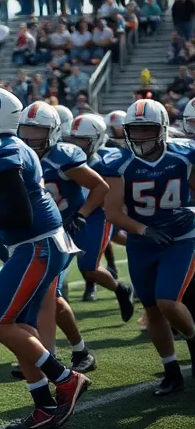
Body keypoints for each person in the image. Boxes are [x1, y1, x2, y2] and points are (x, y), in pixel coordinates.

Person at [0, 87, 89, 429]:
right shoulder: (11, 147)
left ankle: (65, 378)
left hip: (35, 243)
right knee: (21, 327)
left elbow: (21, 215)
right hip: (39, 243)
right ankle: (43, 405)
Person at [100, 99, 195, 396]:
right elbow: (113, 213)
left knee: (168, 301)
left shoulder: (185, 155)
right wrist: (143, 229)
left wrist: (193, 210)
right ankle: (171, 371)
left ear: (163, 129)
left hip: (181, 239)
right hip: (142, 243)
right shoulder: (119, 163)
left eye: (147, 129)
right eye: (135, 130)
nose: (140, 137)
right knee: (153, 309)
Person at [16, 103, 102, 374]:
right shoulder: (19, 154)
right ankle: (79, 350)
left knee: (45, 293)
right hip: (31, 234)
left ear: (52, 132)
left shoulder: (63, 156)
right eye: (25, 130)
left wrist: (82, 214)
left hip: (60, 233)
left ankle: (46, 356)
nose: (29, 138)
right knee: (47, 295)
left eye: (37, 131)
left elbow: (101, 186)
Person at [65, 114, 135, 318]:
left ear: (97, 139)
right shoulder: (67, 156)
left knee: (88, 267)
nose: (77, 144)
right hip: (72, 215)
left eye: (83, 140)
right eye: (74, 139)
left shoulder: (105, 162)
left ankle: (120, 288)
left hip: (97, 217)